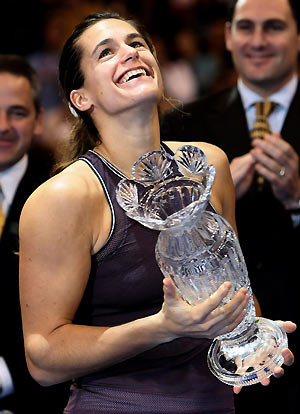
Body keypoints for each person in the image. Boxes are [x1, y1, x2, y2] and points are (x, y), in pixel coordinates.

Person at [18, 12, 295, 414]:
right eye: (106, 53)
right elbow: (42, 359)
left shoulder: (208, 164)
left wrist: (256, 341)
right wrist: (162, 328)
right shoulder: (64, 197)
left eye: (137, 44)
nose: (129, 53)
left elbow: (235, 292)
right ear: (81, 98)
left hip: (216, 404)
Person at [161, 0, 300, 412]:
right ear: (227, 36)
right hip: (219, 354)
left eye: (273, 27)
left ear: (298, 36)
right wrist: (205, 210)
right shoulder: (183, 126)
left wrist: (298, 199)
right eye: (246, 27)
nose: (257, 41)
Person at [0, 54, 69, 413]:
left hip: (38, 397)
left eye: (17, 112)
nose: (2, 126)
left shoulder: (62, 192)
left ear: (39, 120)